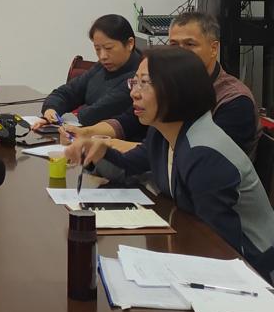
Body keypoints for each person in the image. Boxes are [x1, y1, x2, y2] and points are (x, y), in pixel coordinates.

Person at [65, 46, 274, 282]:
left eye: (145, 83)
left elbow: (219, 247)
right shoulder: (164, 133)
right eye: (134, 82)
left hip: (254, 270)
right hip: (201, 250)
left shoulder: (204, 153)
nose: (134, 93)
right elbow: (128, 167)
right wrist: (98, 151)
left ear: (177, 89)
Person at [65, 12, 260, 159]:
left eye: (190, 44)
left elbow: (205, 159)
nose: (180, 53)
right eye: (174, 45)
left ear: (213, 49)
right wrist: (86, 133)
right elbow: (129, 121)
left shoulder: (234, 100)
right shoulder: (171, 84)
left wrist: (110, 145)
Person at [34, 14, 142, 129]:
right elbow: (68, 92)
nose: (103, 56)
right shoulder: (101, 67)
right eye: (97, 49)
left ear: (130, 43)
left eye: (109, 48)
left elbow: (95, 114)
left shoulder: (139, 76)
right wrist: (51, 109)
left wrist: (78, 113)